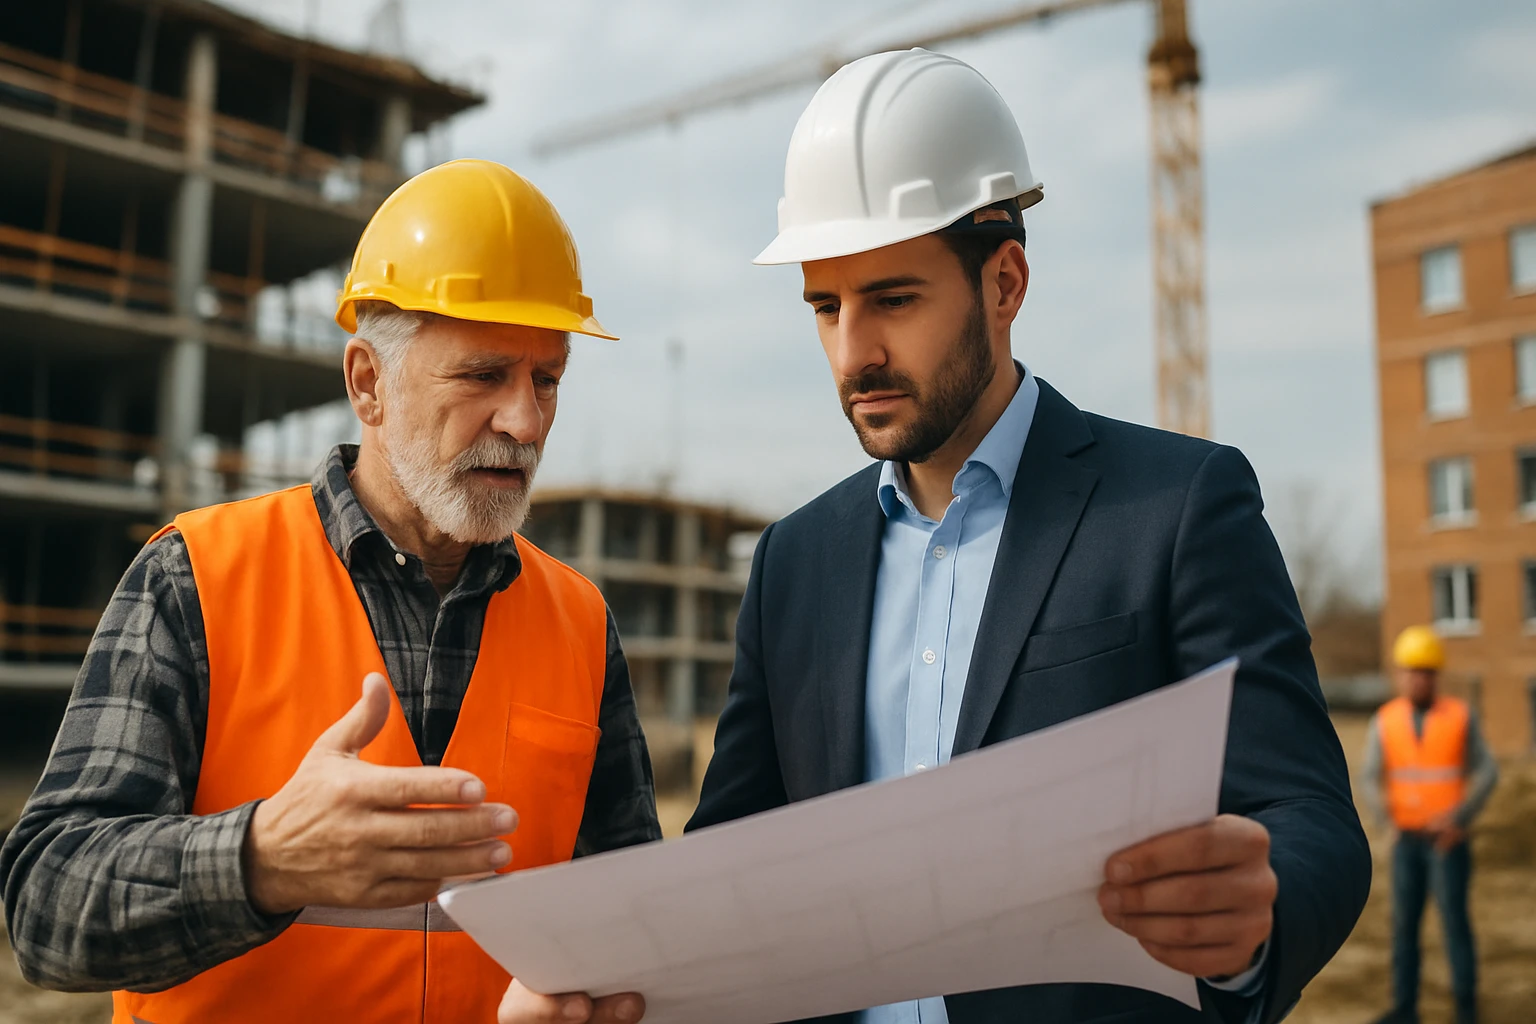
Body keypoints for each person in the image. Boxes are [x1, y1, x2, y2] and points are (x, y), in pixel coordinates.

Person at [686, 48, 1371, 1022]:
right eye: (825, 307)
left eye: (892, 298)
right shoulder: (794, 562)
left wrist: (1259, 915)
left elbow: (1309, 818)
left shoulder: (1178, 508)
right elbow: (731, 866)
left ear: (1004, 283)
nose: (853, 352)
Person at [0, 159, 655, 1024]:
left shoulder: (580, 621)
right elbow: (47, 908)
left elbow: (631, 914)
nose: (525, 422)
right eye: (483, 375)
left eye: (547, 380)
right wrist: (262, 859)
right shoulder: (195, 576)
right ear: (367, 383)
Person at [1365, 626, 1498, 1024]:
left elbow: (1487, 771)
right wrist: (1385, 820)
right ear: (1401, 674)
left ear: (1435, 674)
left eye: (1425, 670)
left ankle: (1466, 1010)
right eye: (1410, 670)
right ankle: (1405, 1009)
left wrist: (1461, 818)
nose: (1417, 677)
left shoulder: (1458, 716)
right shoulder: (1385, 720)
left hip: (1447, 843)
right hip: (1406, 841)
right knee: (1404, 928)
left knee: (1455, 926)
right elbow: (1371, 776)